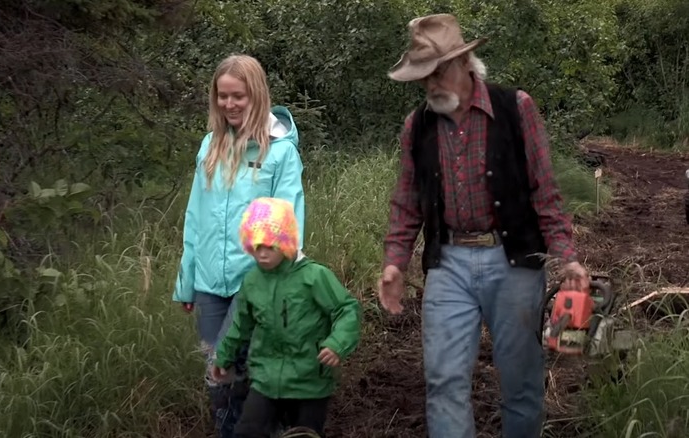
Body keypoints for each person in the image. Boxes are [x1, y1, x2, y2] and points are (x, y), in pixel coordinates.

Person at [377, 14, 591, 438]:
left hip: (511, 261)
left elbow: (544, 190)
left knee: (521, 383)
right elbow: (407, 202)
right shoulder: (417, 127)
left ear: (465, 63)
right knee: (443, 382)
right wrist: (395, 262)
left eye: (437, 73)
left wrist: (565, 257)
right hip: (449, 264)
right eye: (423, 78)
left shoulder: (515, 109)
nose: (430, 85)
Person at [172, 54, 306, 438]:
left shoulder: (280, 153)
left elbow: (289, 224)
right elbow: (195, 217)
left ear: (257, 96)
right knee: (220, 382)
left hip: (257, 285)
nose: (229, 105)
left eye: (239, 97)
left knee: (234, 371)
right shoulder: (209, 147)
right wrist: (187, 280)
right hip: (210, 285)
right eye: (222, 96)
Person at [211, 197, 361, 438]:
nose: (262, 254)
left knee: (304, 435)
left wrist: (336, 344)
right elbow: (241, 324)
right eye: (257, 247)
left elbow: (346, 309)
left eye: (270, 246)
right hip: (266, 379)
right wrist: (224, 356)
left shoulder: (313, 276)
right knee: (247, 431)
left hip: (309, 380)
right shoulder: (253, 281)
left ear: (285, 243)